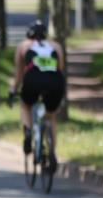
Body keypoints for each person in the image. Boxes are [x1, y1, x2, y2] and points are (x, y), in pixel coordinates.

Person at [10, 19, 66, 171]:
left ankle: (28, 132)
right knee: (52, 115)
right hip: (55, 81)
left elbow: (19, 74)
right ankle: (52, 152)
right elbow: (60, 69)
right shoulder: (56, 46)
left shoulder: (24, 45)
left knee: (25, 104)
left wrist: (13, 90)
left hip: (33, 79)